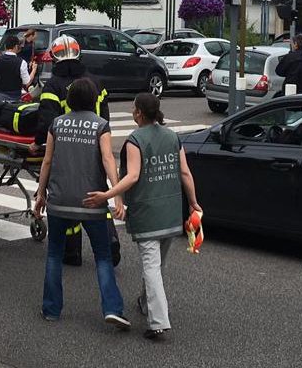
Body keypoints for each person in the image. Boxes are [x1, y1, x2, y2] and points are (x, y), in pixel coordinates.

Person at [85, 93, 202, 341]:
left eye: (133, 108)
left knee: (151, 266)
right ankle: (146, 302)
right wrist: (193, 203)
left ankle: (158, 321)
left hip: (147, 213)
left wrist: (108, 194)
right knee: (157, 266)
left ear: (139, 113)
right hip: (170, 212)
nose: (132, 111)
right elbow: (185, 172)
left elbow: (133, 176)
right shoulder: (173, 137)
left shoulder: (135, 140)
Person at [32, 78, 130, 329]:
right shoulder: (101, 125)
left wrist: (41, 194)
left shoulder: (57, 124)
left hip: (59, 200)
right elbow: (108, 160)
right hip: (92, 201)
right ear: (93, 99)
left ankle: (51, 309)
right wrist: (116, 195)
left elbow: (47, 161)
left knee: (54, 254)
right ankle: (112, 308)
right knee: (102, 257)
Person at [33, 35, 120, 267]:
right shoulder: (95, 81)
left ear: (54, 58)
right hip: (97, 143)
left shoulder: (53, 85)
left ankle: (72, 252)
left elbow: (47, 121)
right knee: (97, 194)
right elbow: (106, 116)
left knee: (69, 195)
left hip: (67, 151)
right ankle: (110, 239)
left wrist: (36, 142)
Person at [0, 35, 35, 101]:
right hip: (14, 98)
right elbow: (27, 82)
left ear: (5, 46)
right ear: (16, 47)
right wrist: (34, 69)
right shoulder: (21, 62)